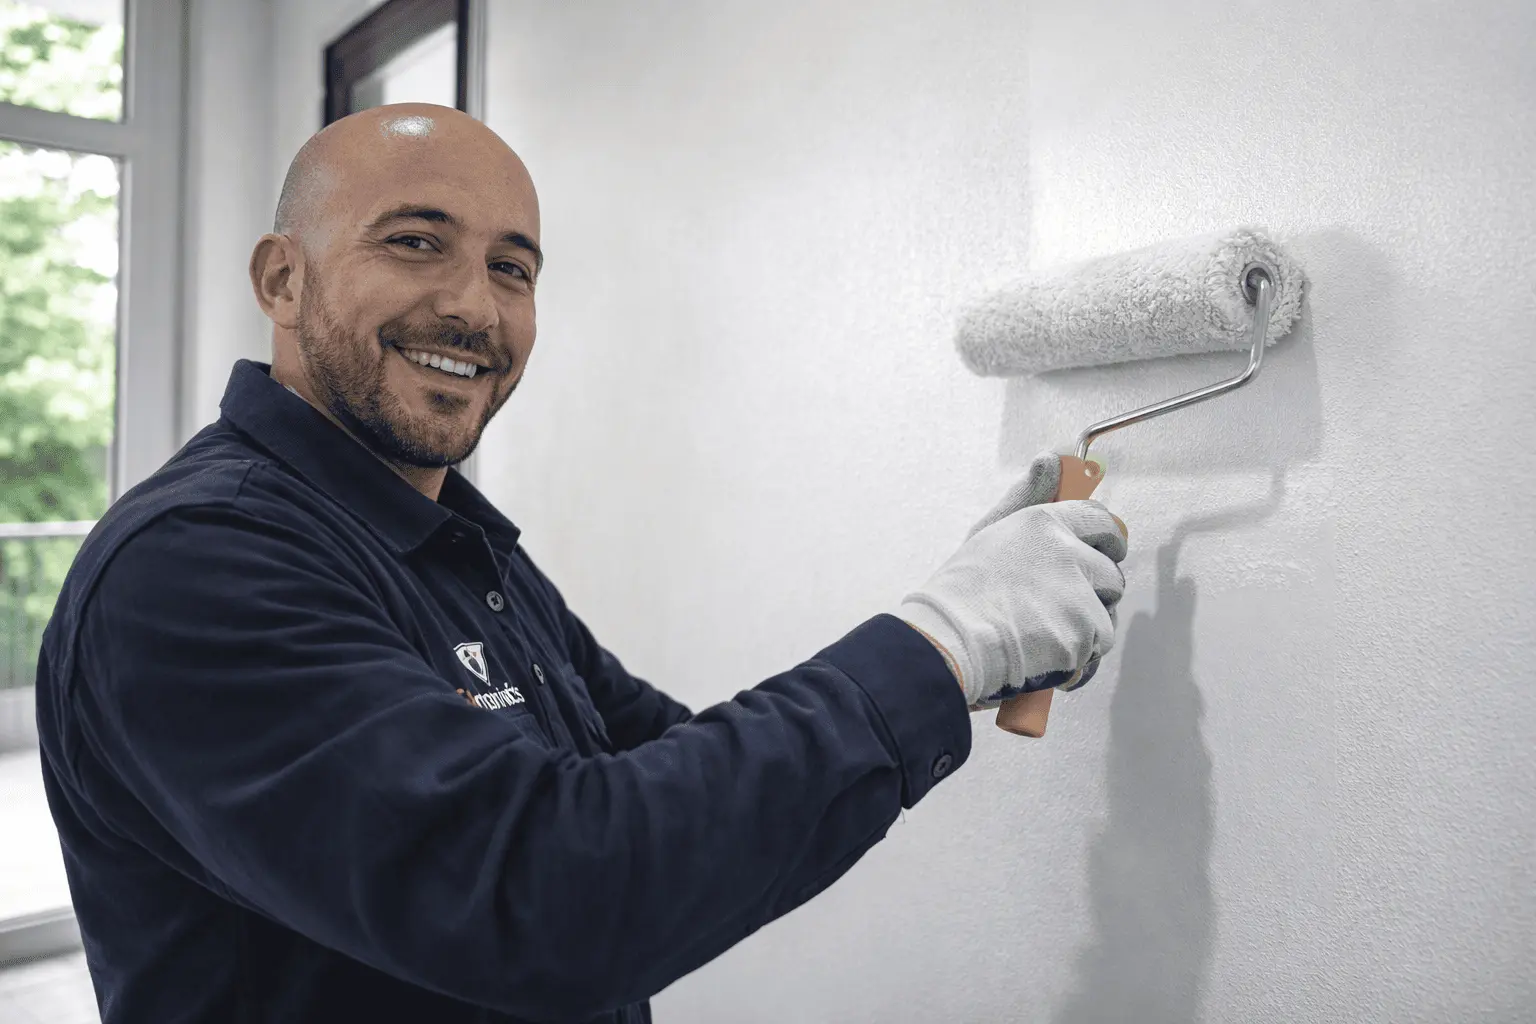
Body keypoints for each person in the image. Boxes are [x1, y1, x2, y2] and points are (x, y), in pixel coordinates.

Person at [34, 103, 1128, 1023]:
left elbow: (664, 786)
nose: (474, 305)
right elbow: (556, 890)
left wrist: (966, 615)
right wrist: (942, 642)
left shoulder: (448, 544)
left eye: (513, 268)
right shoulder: (192, 569)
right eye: (416, 241)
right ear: (283, 278)